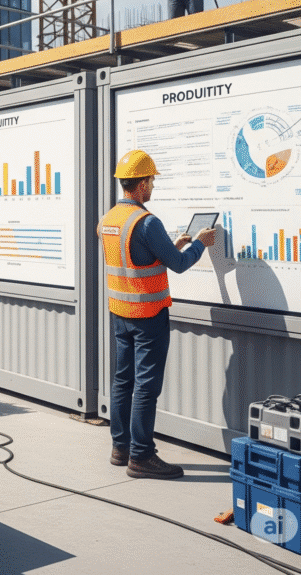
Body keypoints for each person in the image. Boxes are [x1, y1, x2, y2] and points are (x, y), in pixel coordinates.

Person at [98, 149, 216, 479]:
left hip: (121, 313)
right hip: (148, 314)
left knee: (123, 381)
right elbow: (177, 266)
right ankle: (142, 456)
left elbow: (134, 256)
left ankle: (120, 448)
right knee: (147, 386)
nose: (153, 187)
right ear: (142, 184)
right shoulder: (147, 222)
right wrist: (200, 243)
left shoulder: (109, 220)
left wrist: (172, 244)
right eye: (151, 181)